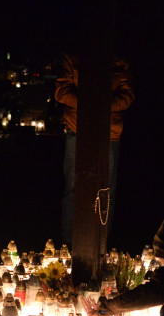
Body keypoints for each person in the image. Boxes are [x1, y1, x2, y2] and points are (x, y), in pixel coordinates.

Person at [55, 53, 134, 245]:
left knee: (107, 189)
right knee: (73, 187)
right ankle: (68, 242)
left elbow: (128, 96)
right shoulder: (72, 59)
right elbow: (61, 91)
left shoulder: (120, 62)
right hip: (78, 129)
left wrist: (100, 105)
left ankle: (101, 242)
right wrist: (92, 104)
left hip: (110, 133)